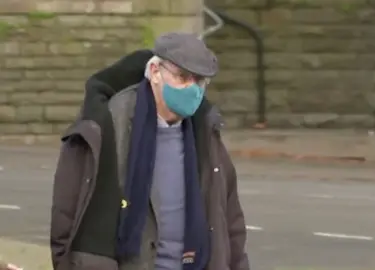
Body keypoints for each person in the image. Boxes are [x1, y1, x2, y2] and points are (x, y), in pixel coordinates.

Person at [50, 32, 250, 270]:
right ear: (155, 72)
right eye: (183, 77)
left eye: (200, 81)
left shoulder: (205, 132)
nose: (192, 89)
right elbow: (67, 211)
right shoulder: (109, 124)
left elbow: (229, 220)